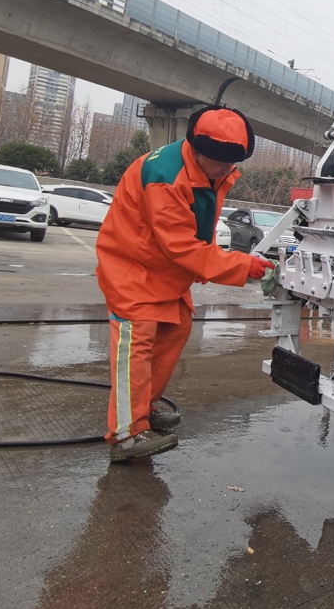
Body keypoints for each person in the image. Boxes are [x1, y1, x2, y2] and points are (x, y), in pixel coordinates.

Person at [96, 105, 273, 461]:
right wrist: (245, 266)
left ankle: (143, 409)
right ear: (198, 151)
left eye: (232, 164)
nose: (228, 171)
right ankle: (126, 436)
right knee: (136, 344)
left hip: (162, 270)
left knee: (176, 328)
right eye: (221, 164)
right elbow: (181, 246)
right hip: (133, 269)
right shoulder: (165, 177)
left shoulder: (209, 169)